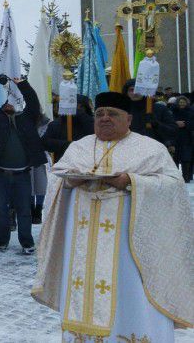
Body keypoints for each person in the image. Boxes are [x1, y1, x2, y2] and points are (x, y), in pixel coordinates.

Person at [32, 91, 194, 341]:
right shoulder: (79, 147)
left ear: (128, 119)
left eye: (113, 114)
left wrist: (130, 181)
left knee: (129, 296)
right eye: (100, 114)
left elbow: (172, 186)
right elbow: (56, 178)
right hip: (82, 247)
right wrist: (69, 181)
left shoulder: (150, 149)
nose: (105, 118)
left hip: (129, 252)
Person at [0, 76, 46, 254]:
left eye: (11, 102)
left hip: (22, 174)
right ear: (0, 106)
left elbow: (32, 102)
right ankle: (2, 241)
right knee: (1, 210)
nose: (8, 104)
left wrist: (22, 83)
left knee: (24, 210)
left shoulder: (26, 118)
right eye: (4, 102)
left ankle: (27, 242)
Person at [122, 79, 177, 150]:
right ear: (126, 92)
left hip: (154, 151)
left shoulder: (159, 109)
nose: (135, 93)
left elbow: (173, 131)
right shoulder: (122, 111)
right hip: (129, 151)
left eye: (138, 89)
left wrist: (157, 124)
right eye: (131, 90)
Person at [42, 95, 94, 164]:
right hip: (64, 164)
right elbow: (45, 142)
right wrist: (68, 145)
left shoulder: (91, 123)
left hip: (86, 163)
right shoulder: (56, 124)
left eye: (80, 107)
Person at [171, 95, 193, 182]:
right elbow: (168, 122)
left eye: (183, 102)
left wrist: (185, 124)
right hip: (175, 137)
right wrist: (175, 123)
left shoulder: (191, 111)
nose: (182, 104)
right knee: (175, 158)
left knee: (186, 158)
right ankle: (175, 178)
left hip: (187, 137)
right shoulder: (172, 111)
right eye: (180, 102)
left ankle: (186, 177)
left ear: (186, 103)